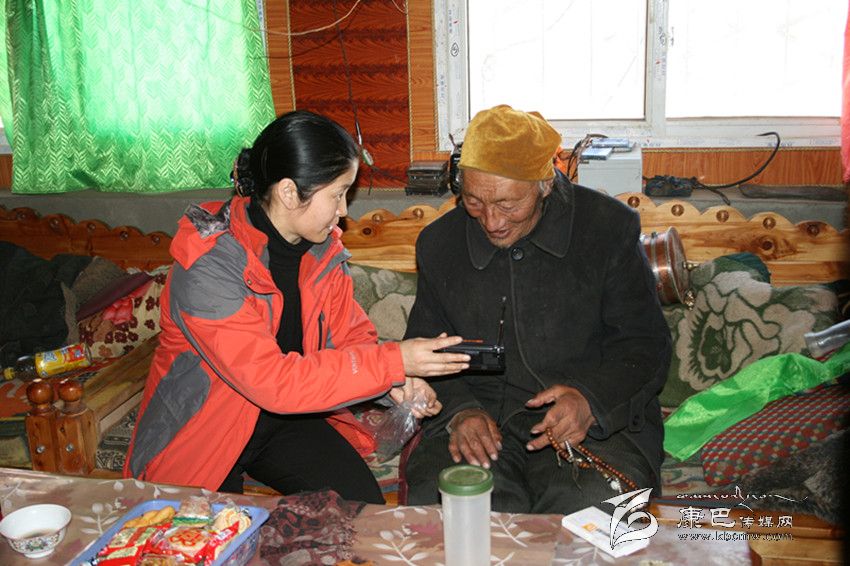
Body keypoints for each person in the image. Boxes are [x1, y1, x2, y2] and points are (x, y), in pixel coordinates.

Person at [123, 110, 470, 502]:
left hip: (283, 420)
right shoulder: (208, 266)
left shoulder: (322, 252)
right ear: (289, 192)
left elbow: (351, 338)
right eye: (337, 194)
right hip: (207, 426)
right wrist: (394, 361)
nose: (344, 211)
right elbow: (271, 381)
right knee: (217, 530)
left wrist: (397, 384)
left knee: (359, 507)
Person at [403, 104, 672, 514]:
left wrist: (590, 401)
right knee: (458, 509)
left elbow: (644, 345)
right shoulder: (441, 244)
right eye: (474, 201)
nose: (492, 221)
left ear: (545, 185)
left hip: (592, 425)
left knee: (591, 513)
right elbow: (424, 350)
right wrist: (460, 411)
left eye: (508, 204)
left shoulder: (606, 229)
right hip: (479, 422)